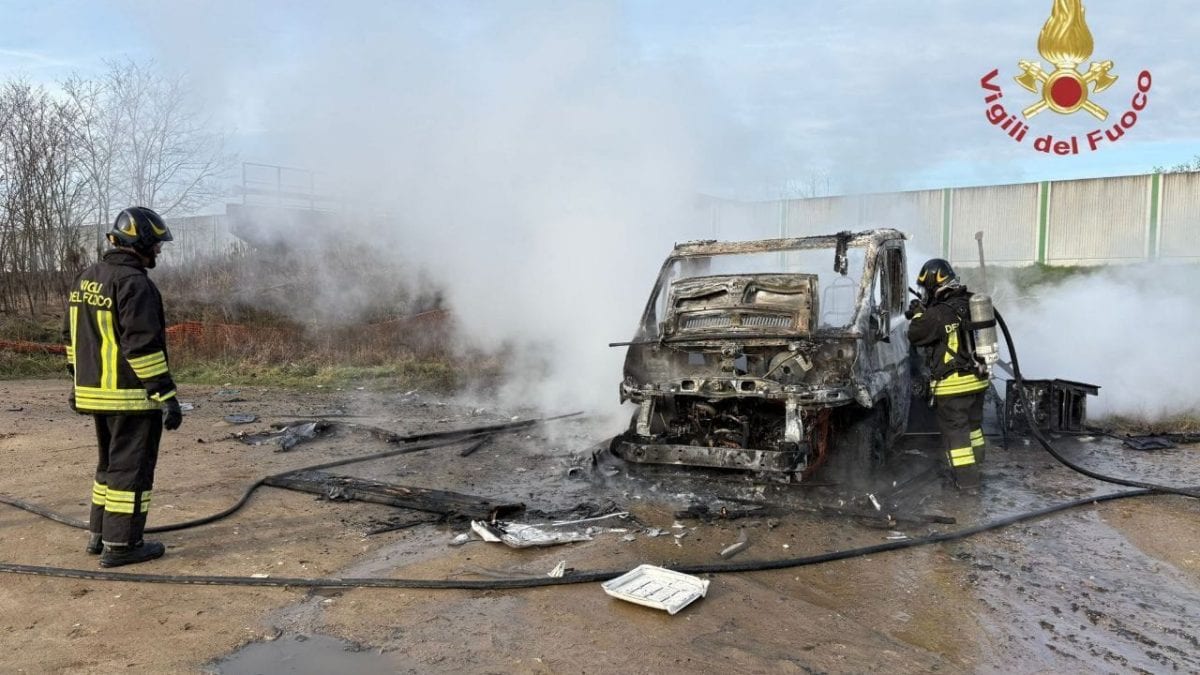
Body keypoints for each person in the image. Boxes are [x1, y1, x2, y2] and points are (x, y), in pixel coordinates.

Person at [63, 206, 183, 567]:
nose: (158, 251)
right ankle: (123, 545)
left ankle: (99, 535)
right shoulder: (135, 284)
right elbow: (142, 345)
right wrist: (166, 395)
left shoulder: (87, 277)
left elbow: (71, 339)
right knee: (131, 471)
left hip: (95, 393)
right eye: (156, 244)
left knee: (110, 467)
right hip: (131, 396)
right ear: (140, 242)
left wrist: (77, 380)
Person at [905, 258, 988, 489]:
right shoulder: (971, 302)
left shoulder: (938, 313)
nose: (924, 293)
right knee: (973, 428)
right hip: (978, 380)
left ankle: (967, 483)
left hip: (954, 386)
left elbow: (916, 334)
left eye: (925, 288)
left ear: (934, 284)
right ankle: (979, 465)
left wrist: (919, 313)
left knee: (957, 437)